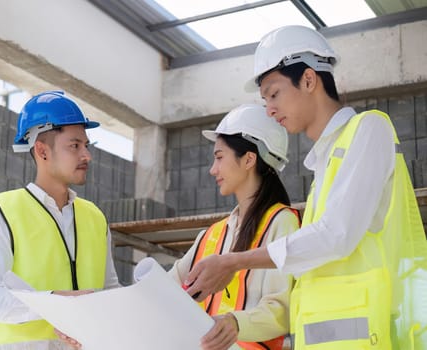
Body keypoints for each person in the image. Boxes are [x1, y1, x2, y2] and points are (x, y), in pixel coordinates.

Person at [184, 25, 427, 349]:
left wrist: (233, 261)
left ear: (309, 80)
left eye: (274, 93)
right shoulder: (325, 167)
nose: (269, 109)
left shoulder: (369, 130)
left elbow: (335, 235)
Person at [0, 91, 120, 349]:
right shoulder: (1, 213)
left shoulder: (95, 217)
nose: (87, 155)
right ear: (42, 150)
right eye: (75, 146)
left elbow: (110, 290)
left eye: (86, 145)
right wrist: (54, 302)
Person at [169, 104, 301, 350]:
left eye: (219, 157)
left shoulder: (282, 223)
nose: (213, 169)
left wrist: (235, 323)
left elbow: (282, 309)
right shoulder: (212, 235)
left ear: (249, 159)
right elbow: (165, 290)